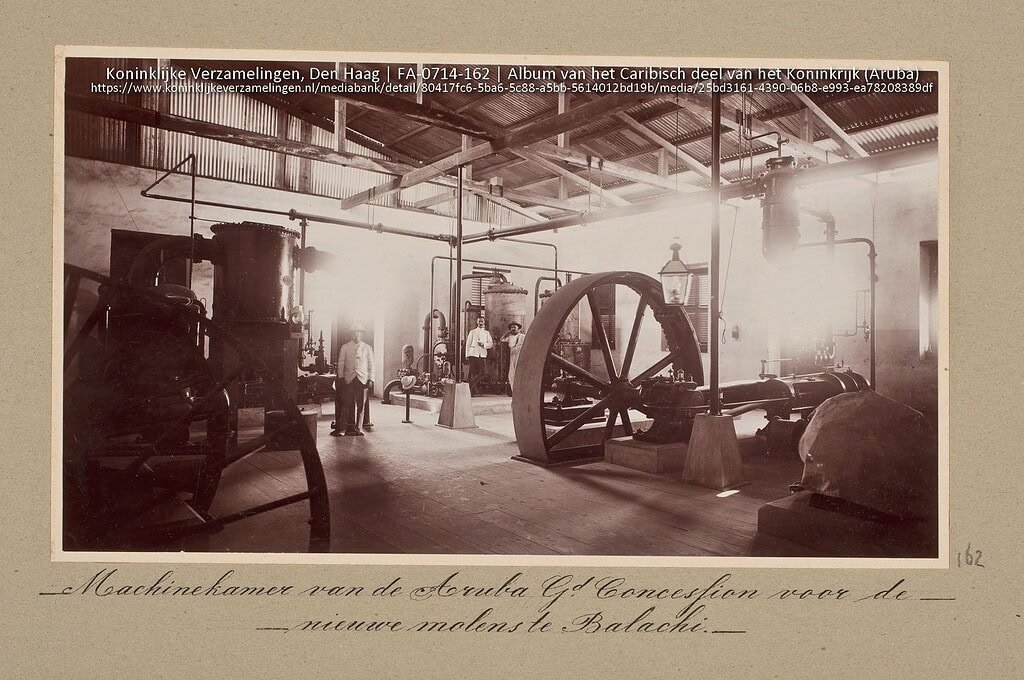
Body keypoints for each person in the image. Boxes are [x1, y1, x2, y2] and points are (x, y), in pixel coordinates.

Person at [332, 323, 374, 436]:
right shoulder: (345, 347)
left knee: (361, 405)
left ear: (362, 334)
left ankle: (358, 428)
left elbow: (371, 365)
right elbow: (341, 363)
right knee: (346, 404)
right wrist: (341, 377)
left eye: (359, 332)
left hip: (362, 379)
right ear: (351, 334)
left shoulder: (367, 348)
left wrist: (371, 379)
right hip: (348, 379)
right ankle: (342, 430)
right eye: (354, 332)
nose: (357, 334)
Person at [464, 316, 493, 397]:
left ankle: (469, 386)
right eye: (479, 321)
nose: (480, 323)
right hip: (473, 354)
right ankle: (473, 392)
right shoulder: (472, 332)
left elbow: (491, 344)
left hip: (482, 354)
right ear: (477, 322)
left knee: (483, 372)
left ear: (484, 322)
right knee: (473, 372)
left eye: (482, 321)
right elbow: (468, 343)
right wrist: (467, 354)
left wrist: (484, 345)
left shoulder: (487, 333)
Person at [500, 321, 525, 394]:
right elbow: (501, 340)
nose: (513, 328)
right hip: (512, 355)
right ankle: (514, 391)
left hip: (520, 355)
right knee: (511, 373)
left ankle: (520, 390)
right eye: (511, 327)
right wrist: (506, 333)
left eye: (514, 327)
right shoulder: (510, 337)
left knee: (519, 372)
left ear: (518, 328)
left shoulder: (522, 336)